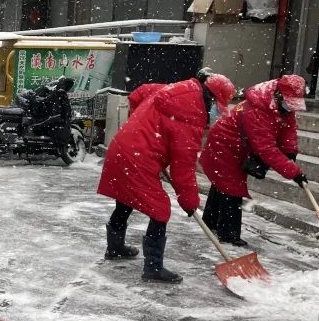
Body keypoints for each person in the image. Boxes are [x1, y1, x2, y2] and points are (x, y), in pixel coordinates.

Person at [98, 72, 236, 283]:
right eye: (218, 105)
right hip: (138, 159)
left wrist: (139, 127)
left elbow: (137, 94)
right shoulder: (192, 116)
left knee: (126, 199)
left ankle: (115, 248)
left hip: (122, 147)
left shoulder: (174, 90)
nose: (216, 111)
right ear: (210, 97)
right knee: (160, 210)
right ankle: (153, 268)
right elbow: (183, 167)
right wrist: (189, 202)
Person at [200, 75, 307, 247]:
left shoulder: (282, 107)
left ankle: (210, 221)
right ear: (279, 95)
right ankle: (229, 235)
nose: (291, 107)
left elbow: (289, 128)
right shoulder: (258, 109)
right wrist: (293, 172)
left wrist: (290, 151)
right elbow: (266, 149)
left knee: (224, 183)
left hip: (239, 145)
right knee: (231, 187)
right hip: (225, 144)